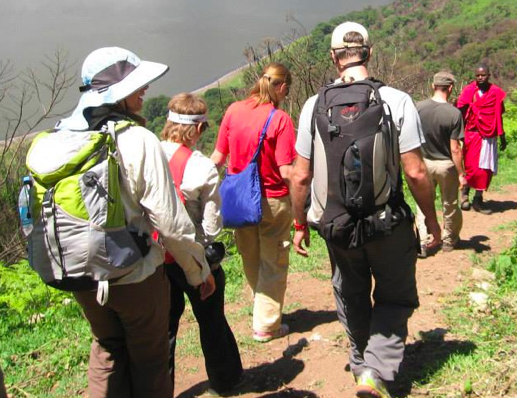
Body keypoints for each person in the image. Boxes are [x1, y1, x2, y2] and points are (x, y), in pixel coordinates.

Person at [289, 21, 442, 398]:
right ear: (369, 53)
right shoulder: (396, 100)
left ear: (333, 57)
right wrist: (431, 220)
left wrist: (299, 224)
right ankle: (374, 371)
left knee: (350, 293)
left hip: (337, 226)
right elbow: (415, 170)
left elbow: (300, 176)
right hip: (387, 222)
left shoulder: (314, 106)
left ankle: (361, 364)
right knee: (395, 295)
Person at [56, 47, 214, 398]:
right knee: (150, 360)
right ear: (116, 93)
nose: (144, 90)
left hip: (80, 272)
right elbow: (170, 222)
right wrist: (198, 271)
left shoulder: (63, 137)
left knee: (107, 348)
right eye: (136, 85)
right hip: (133, 274)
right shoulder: (137, 139)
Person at [160, 93, 243, 394]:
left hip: (155, 259)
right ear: (195, 129)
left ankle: (160, 388)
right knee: (212, 322)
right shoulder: (201, 167)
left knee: (164, 330)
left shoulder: (146, 155)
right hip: (194, 257)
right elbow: (211, 226)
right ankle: (226, 381)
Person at [211, 63, 296, 343]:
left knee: (251, 256)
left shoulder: (234, 110)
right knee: (274, 261)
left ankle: (262, 308)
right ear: (281, 87)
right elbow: (285, 171)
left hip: (238, 200)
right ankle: (267, 325)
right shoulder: (280, 119)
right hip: (272, 200)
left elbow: (217, 157)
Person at [415, 71, 466, 255]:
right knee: (450, 204)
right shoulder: (454, 113)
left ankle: (423, 240)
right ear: (451, 88)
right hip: (446, 165)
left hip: (424, 162)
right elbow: (455, 148)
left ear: (432, 86)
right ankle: (449, 240)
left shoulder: (418, 108)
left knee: (423, 203)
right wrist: (461, 174)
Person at [456, 64, 507, 214]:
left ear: (488, 75)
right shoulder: (469, 91)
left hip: (489, 135)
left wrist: (502, 135)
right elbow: (460, 111)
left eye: (483, 75)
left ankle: (478, 199)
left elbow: (498, 115)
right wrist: (458, 133)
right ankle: (464, 195)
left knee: (485, 169)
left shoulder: (495, 92)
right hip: (472, 134)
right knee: (471, 167)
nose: (480, 78)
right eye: (477, 75)